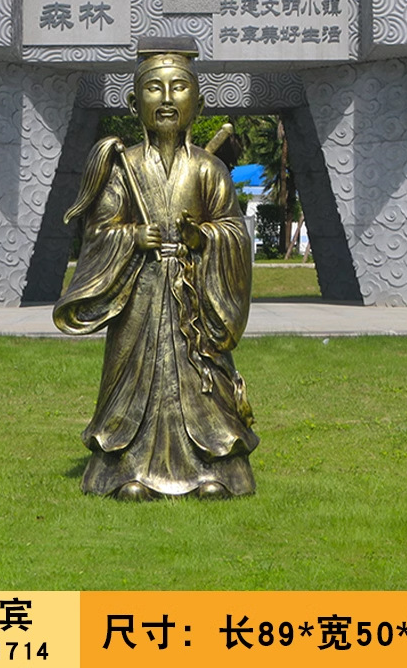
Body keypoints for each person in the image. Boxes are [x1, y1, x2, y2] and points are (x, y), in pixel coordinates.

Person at [53, 40, 258, 500]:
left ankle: (213, 472)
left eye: (179, 87)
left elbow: (233, 232)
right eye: (154, 89)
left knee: (200, 387)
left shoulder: (208, 169)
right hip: (139, 300)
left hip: (192, 301)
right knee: (134, 388)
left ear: (198, 104)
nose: (166, 98)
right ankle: (127, 473)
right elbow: (99, 231)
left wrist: (203, 238)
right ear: (134, 103)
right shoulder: (123, 167)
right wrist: (131, 236)